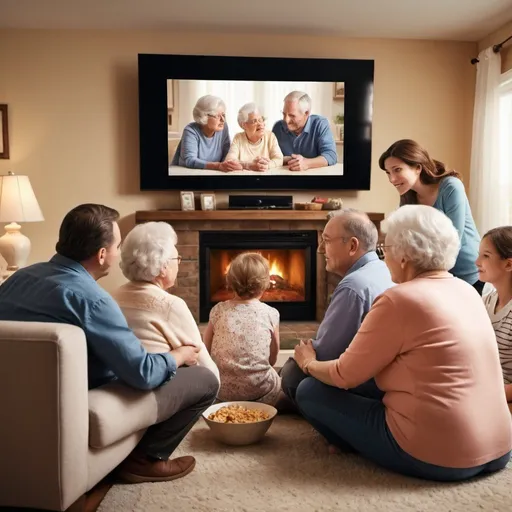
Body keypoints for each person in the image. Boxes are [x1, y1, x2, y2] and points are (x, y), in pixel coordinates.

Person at [0, 204, 219, 483]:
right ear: (102, 254)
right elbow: (143, 374)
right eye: (117, 246)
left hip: (12, 403)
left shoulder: (19, 278)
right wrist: (179, 354)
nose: (118, 254)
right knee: (203, 378)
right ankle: (145, 460)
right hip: (75, 399)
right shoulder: (94, 301)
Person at [293, 205, 511, 481]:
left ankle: (352, 443)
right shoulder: (468, 290)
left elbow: (343, 375)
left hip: (445, 457)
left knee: (310, 390)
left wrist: (308, 363)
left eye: (386, 249)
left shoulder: (399, 299)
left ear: (405, 255)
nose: (383, 258)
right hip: (501, 447)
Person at [280, 209, 394, 405]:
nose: (319, 249)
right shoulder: (384, 269)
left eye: (326, 240)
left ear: (352, 245)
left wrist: (301, 359)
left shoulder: (353, 287)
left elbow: (325, 355)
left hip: (368, 386)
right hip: (384, 379)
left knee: (292, 376)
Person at [112, 221, 219, 382]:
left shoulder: (112, 296)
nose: (179, 263)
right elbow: (205, 364)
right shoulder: (170, 305)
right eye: (177, 258)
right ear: (162, 266)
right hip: (156, 383)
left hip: (120, 379)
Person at [379, 139, 483, 293]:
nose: (392, 179)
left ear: (417, 168)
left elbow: (454, 240)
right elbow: (404, 239)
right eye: (388, 172)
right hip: (436, 276)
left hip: (468, 274)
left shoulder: (450, 187)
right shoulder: (408, 198)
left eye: (397, 170)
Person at [203, 252, 281, 405]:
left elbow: (206, 349)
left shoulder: (218, 310)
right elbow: (273, 357)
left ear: (230, 281)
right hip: (260, 392)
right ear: (265, 283)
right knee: (280, 380)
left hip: (221, 393)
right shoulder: (271, 313)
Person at [476, 226, 512, 402]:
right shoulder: (487, 300)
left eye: (486, 256)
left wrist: (488, 397)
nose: (477, 262)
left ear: (508, 264)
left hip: (499, 399)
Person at [272, 91, 337, 171]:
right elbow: (270, 156)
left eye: (292, 115)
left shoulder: (320, 124)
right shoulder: (278, 127)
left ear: (306, 113)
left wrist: (307, 163)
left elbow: (331, 155)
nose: (286, 120)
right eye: (284, 114)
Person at [172, 95, 231, 170]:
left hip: (213, 173)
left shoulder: (223, 128)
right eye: (217, 116)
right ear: (204, 116)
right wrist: (217, 166)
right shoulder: (190, 130)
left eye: (223, 115)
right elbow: (189, 160)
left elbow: (227, 155)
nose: (223, 120)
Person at [224, 102, 283, 171]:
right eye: (254, 121)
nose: (260, 124)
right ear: (244, 125)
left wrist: (267, 165)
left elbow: (279, 159)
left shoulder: (270, 137)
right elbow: (229, 161)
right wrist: (249, 165)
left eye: (261, 120)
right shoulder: (238, 138)